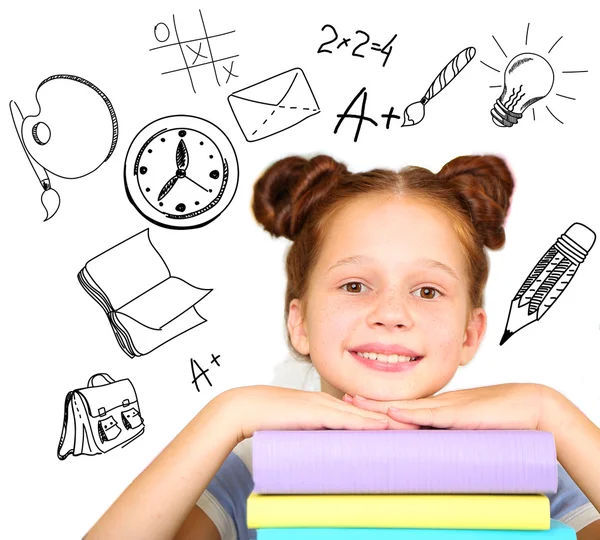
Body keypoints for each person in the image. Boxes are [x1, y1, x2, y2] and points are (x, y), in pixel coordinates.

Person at [84, 154, 600, 540]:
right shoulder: (257, 465)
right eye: (355, 285)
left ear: (470, 334)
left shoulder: (530, 466)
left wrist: (548, 409)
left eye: (427, 290)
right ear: (300, 323)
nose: (392, 313)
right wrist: (228, 412)